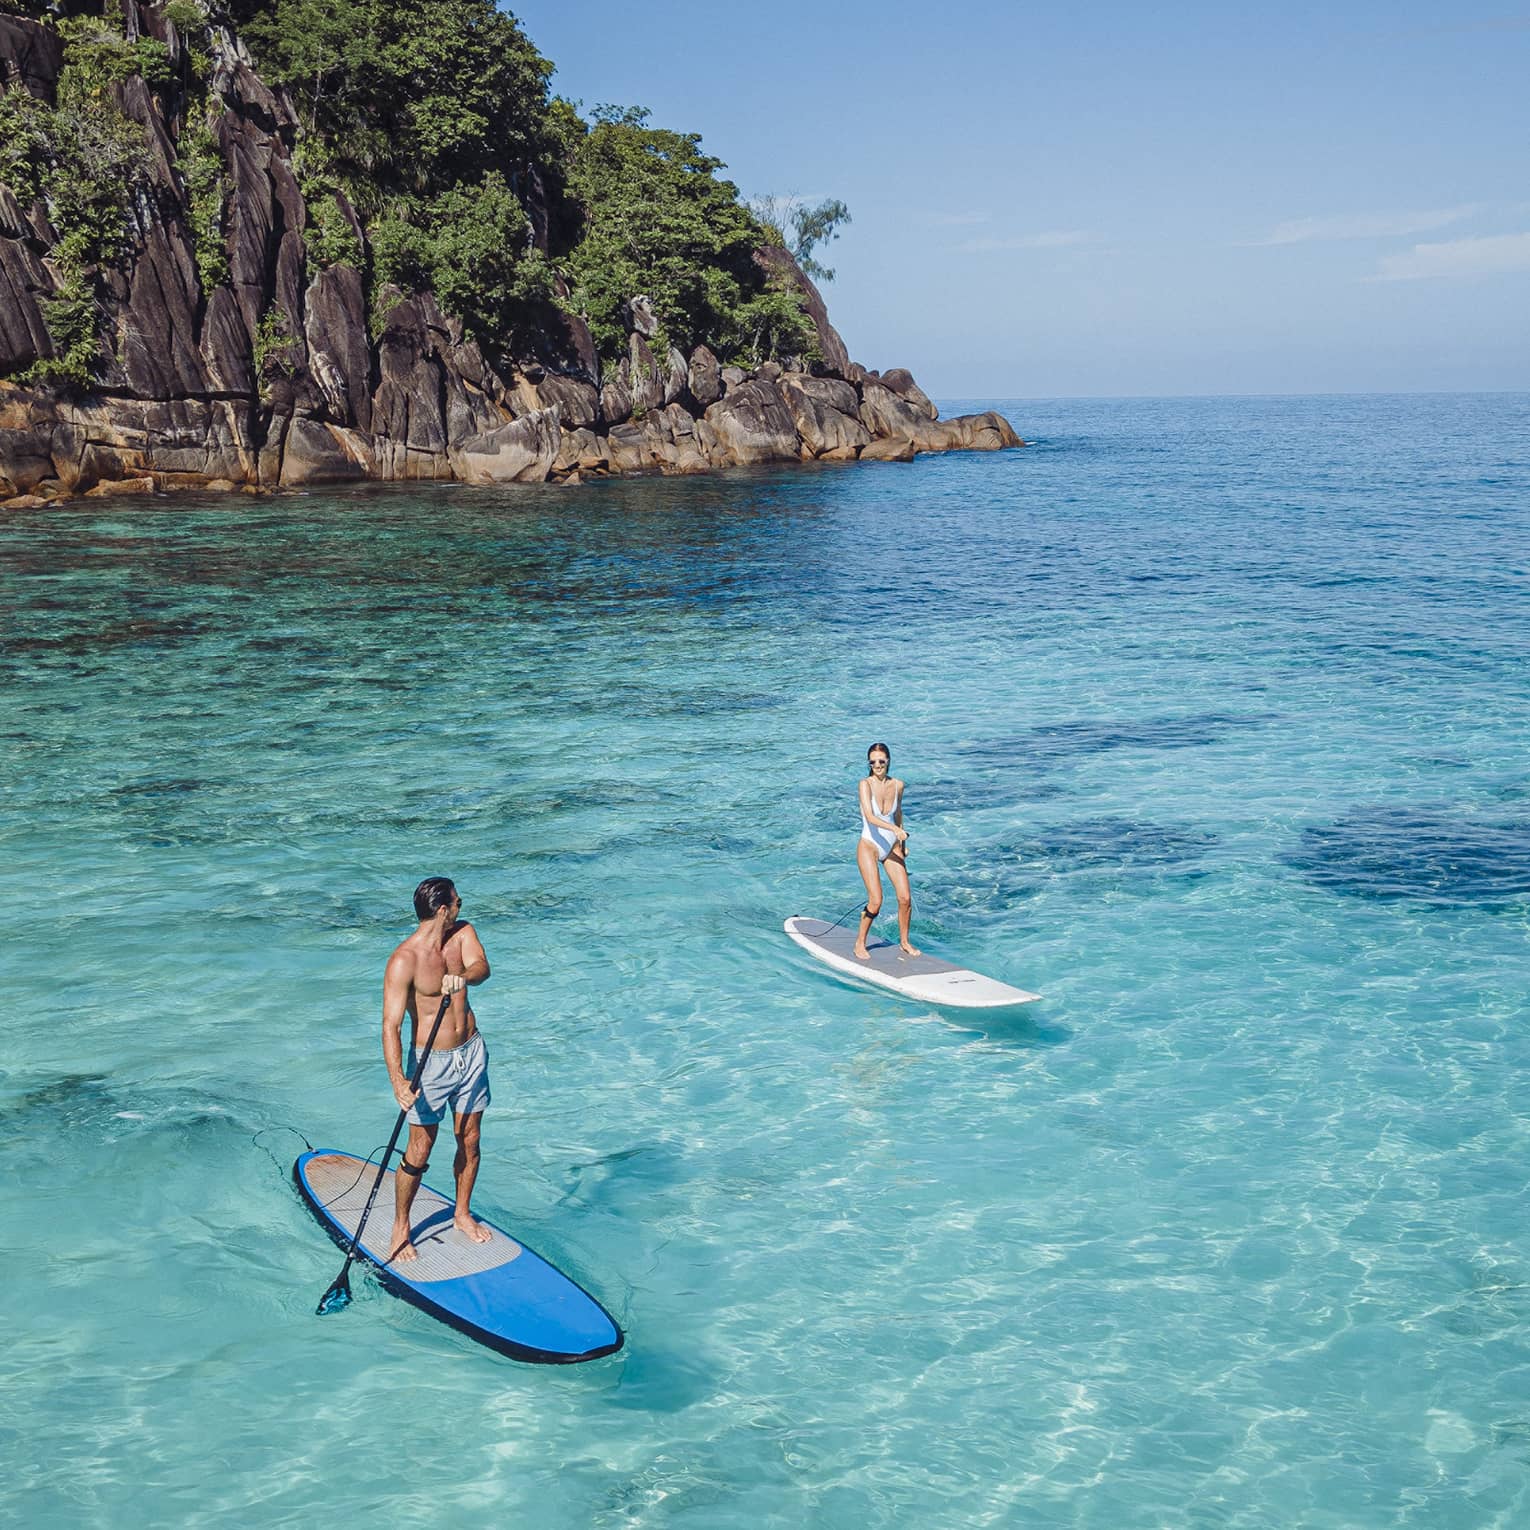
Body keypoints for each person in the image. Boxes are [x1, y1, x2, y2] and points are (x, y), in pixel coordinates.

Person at [382, 876, 493, 1262]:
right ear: (443, 909)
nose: (462, 907)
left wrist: (462, 976)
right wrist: (398, 1079)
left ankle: (461, 1213)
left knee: (470, 1138)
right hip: (431, 1063)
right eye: (458, 903)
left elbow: (482, 967)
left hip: (471, 1051)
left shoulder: (462, 934)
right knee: (420, 1146)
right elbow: (391, 1025)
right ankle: (400, 1225)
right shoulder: (404, 960)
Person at [854, 742, 921, 961]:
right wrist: (894, 829)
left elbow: (898, 813)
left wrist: (901, 844)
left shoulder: (898, 785)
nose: (877, 765)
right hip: (870, 847)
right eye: (872, 762)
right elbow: (871, 817)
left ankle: (904, 942)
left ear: (888, 761)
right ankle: (859, 943)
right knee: (876, 901)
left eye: (881, 761)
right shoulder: (865, 784)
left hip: (892, 847)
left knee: (905, 898)